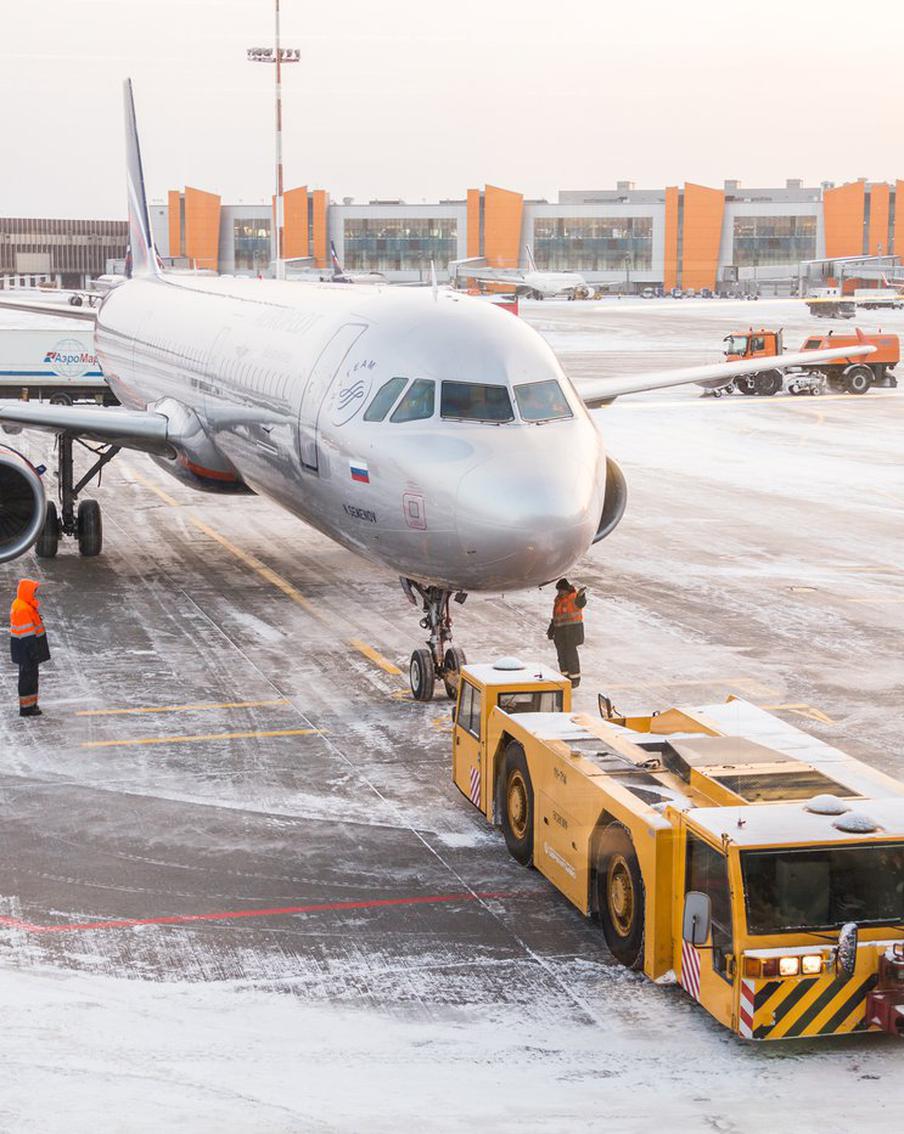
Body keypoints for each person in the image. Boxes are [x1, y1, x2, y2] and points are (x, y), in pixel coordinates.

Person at [9, 579, 50, 717]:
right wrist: (33, 652)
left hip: (26, 649)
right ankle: (27, 708)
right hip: (26, 650)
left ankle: (31, 704)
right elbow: (27, 635)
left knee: (31, 677)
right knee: (27, 678)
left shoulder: (24, 605)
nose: (34, 595)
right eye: (33, 592)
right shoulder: (23, 609)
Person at [547, 578, 587, 688]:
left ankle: (574, 679)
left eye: (561, 590)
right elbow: (556, 616)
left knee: (571, 655)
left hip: (572, 631)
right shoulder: (558, 600)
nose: (559, 592)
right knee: (561, 656)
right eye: (558, 590)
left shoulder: (574, 597)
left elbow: (581, 603)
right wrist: (552, 629)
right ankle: (565, 677)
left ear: (566, 590)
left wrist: (581, 596)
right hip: (560, 632)